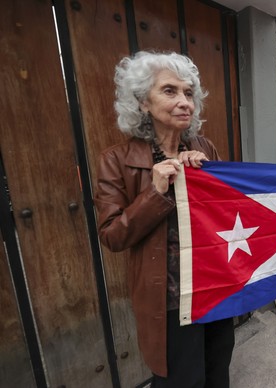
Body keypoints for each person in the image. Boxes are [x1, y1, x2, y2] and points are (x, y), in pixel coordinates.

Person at [94, 51, 234, 387]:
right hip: (170, 299)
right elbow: (113, 235)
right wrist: (155, 192)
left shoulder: (204, 147)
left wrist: (209, 180)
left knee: (218, 370)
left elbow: (231, 214)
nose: (185, 101)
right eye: (169, 91)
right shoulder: (116, 160)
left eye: (188, 93)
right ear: (143, 102)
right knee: (182, 379)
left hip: (214, 286)